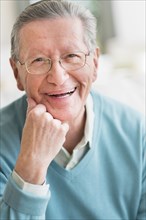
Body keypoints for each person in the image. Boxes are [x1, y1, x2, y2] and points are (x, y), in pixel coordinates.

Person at [0, 0, 145, 219]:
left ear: (95, 63)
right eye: (39, 60)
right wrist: (31, 166)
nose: (58, 78)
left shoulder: (137, 132)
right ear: (16, 73)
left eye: (72, 56)